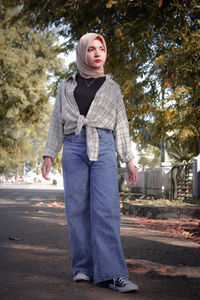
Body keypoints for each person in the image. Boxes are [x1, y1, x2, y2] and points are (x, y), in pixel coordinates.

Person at [41, 33, 139, 293]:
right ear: (81, 53)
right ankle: (83, 268)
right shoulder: (66, 86)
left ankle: (114, 273)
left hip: (104, 147)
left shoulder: (112, 87)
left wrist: (128, 160)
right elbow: (55, 122)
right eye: (91, 49)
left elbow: (122, 126)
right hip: (73, 147)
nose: (97, 53)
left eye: (101, 48)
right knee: (77, 211)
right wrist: (49, 155)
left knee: (106, 210)